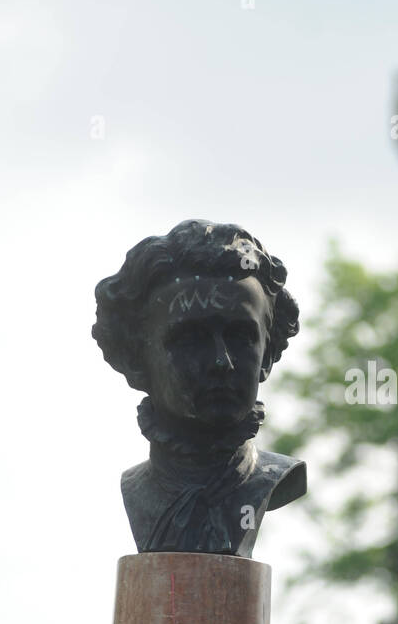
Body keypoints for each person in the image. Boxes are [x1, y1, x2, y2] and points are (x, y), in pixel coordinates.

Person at [93, 219, 306, 555]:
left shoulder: (270, 480)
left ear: (267, 355)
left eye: (240, 337)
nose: (222, 361)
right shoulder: (135, 492)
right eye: (191, 338)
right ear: (137, 359)